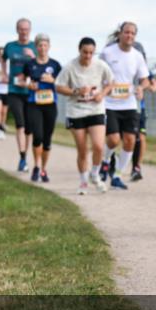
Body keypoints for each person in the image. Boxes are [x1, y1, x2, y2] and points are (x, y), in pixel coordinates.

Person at [55, 37, 114, 194]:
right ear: (79, 50)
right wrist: (76, 91)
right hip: (76, 111)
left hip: (96, 110)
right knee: (82, 149)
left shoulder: (101, 65)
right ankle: (83, 182)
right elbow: (59, 87)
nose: (88, 56)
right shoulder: (70, 67)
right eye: (85, 52)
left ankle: (95, 175)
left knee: (98, 146)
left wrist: (102, 94)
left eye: (91, 53)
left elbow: (111, 82)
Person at [98, 22, 151, 190]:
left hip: (129, 104)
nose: (129, 36)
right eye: (126, 32)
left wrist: (141, 88)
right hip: (109, 103)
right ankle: (105, 162)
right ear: (120, 34)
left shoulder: (137, 56)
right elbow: (97, 73)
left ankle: (117, 175)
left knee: (129, 141)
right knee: (113, 139)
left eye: (133, 34)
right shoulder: (107, 52)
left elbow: (145, 79)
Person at [21, 34, 61, 182]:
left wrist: (53, 80)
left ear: (49, 47)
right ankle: (36, 166)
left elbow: (63, 84)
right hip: (34, 104)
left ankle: (44, 169)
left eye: (45, 45)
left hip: (50, 105)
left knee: (47, 139)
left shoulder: (55, 65)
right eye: (40, 45)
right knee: (37, 136)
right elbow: (22, 79)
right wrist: (29, 84)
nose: (42, 48)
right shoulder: (30, 64)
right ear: (36, 47)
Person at [4, 18, 37, 171]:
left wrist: (33, 56)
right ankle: (22, 157)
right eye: (21, 29)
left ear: (30, 30)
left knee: (29, 127)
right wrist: (4, 74)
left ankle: (25, 155)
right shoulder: (10, 46)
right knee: (20, 123)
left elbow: (41, 64)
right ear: (17, 30)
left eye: (26, 29)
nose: (24, 32)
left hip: (30, 90)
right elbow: (4, 59)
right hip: (14, 90)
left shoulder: (35, 47)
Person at [127, 40, 156, 182]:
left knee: (141, 136)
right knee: (125, 138)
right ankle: (113, 162)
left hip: (139, 107)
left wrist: (146, 87)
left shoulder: (143, 69)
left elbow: (154, 84)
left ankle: (136, 167)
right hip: (120, 107)